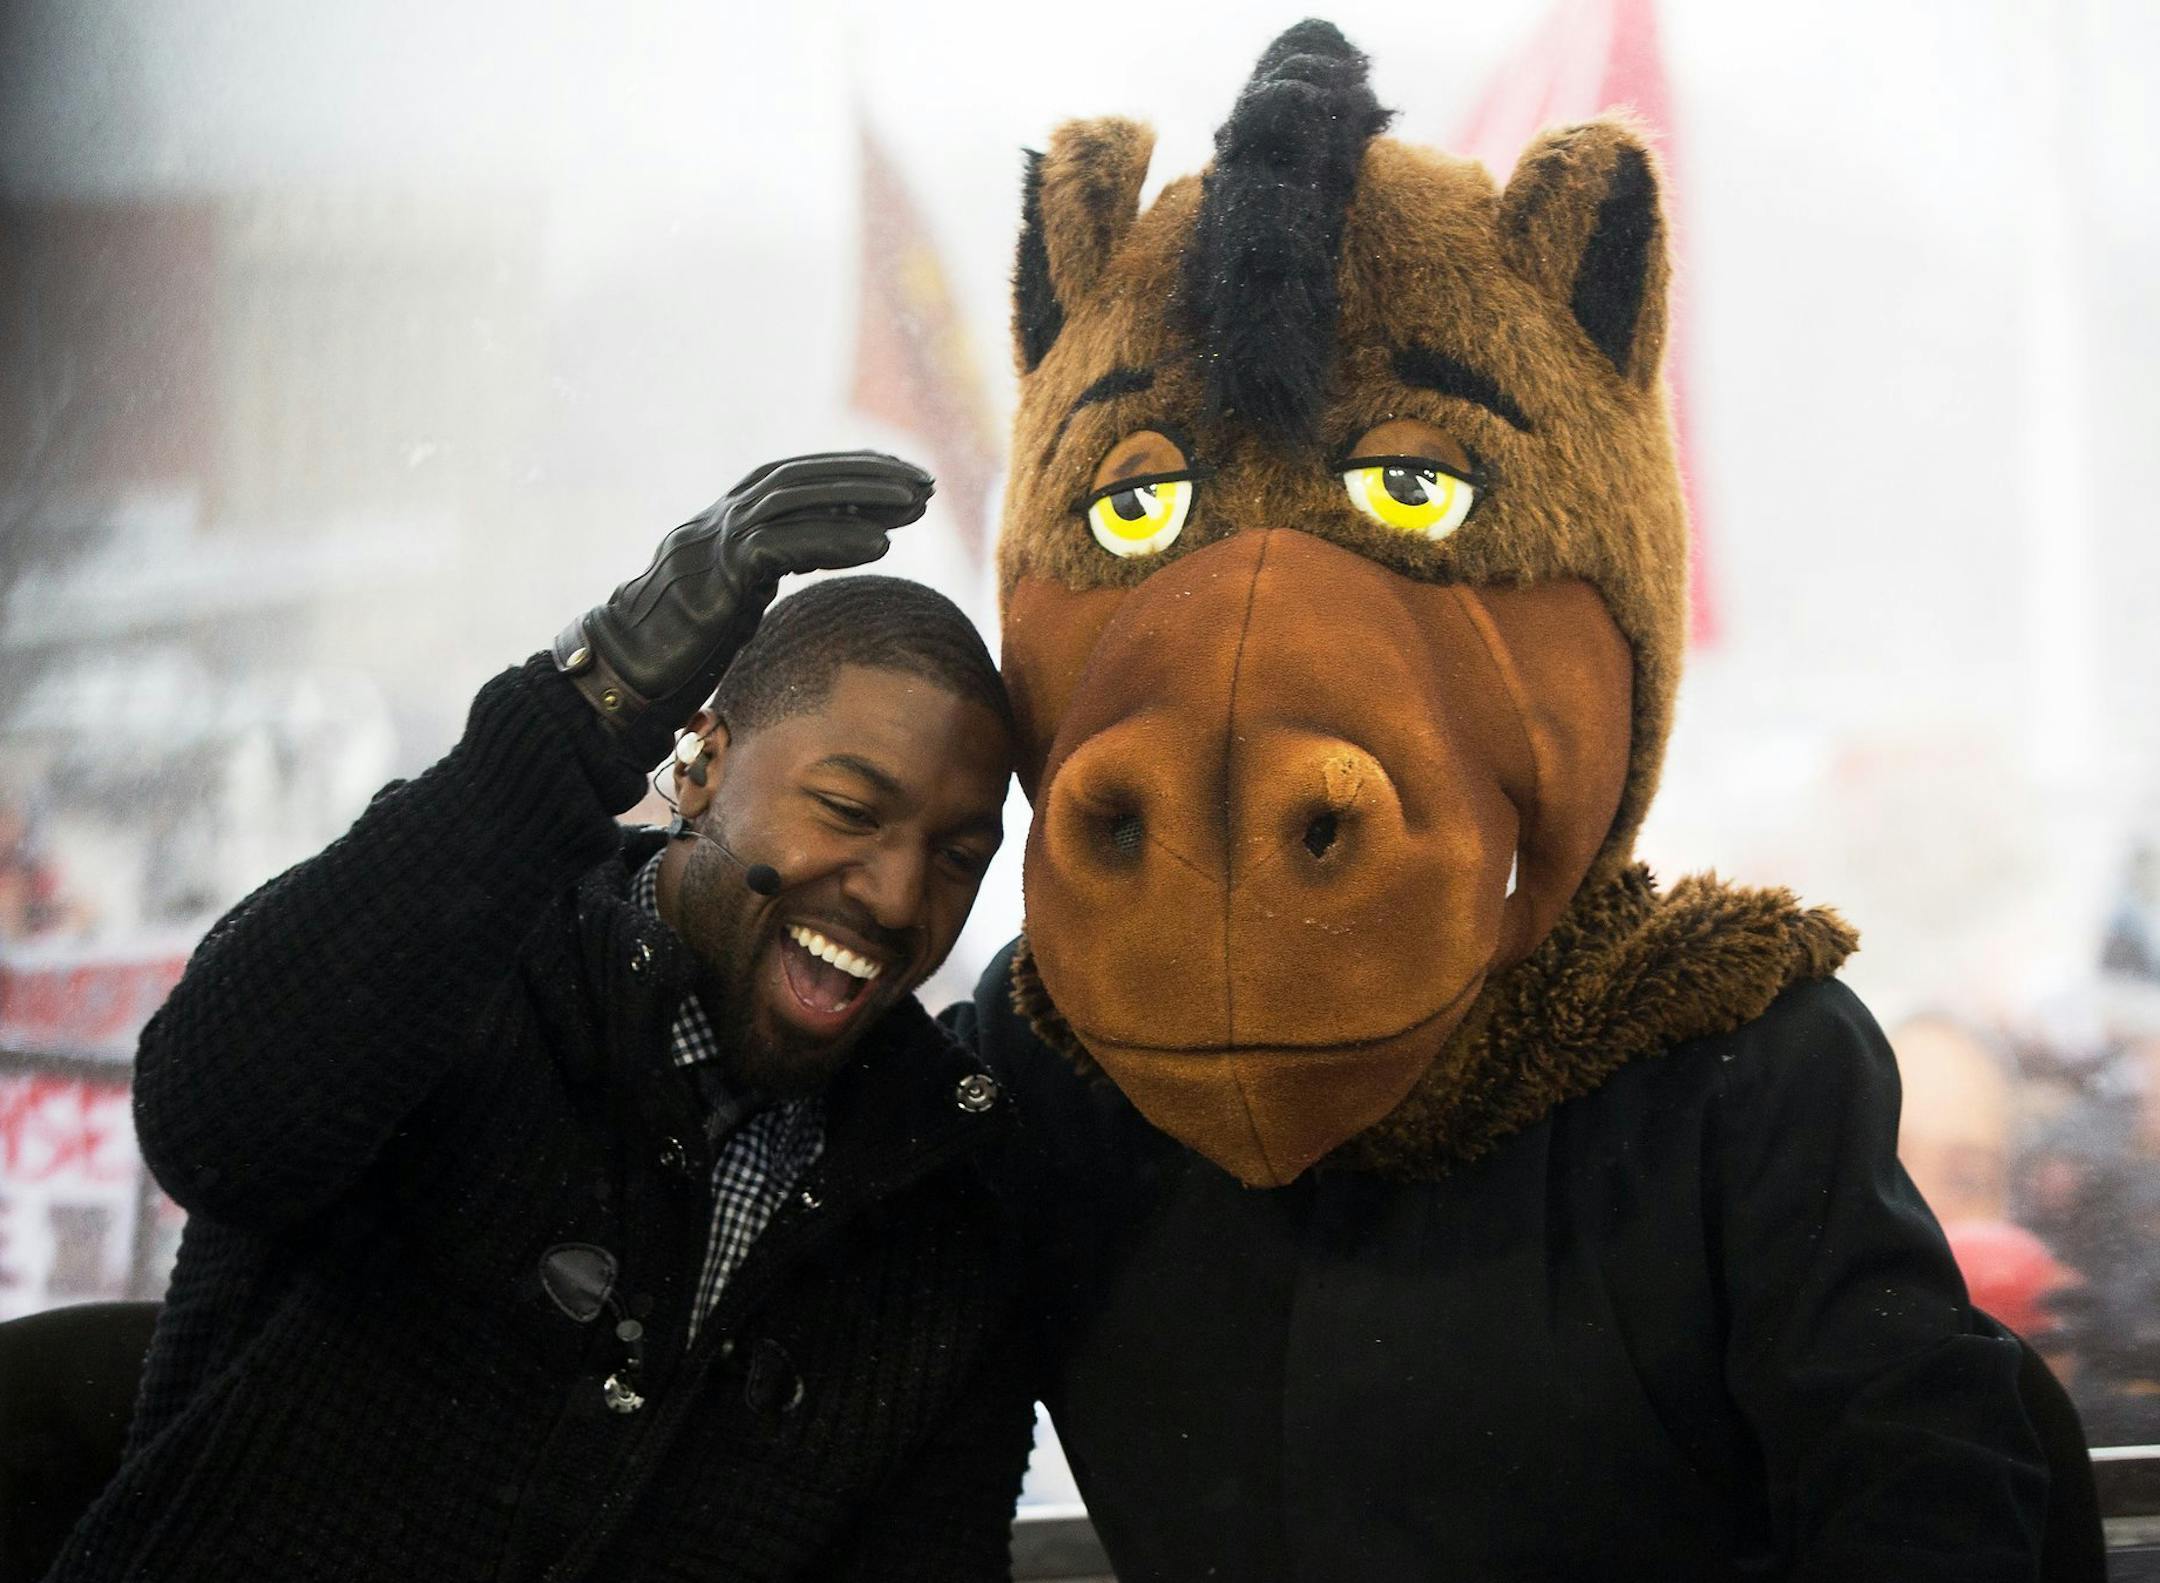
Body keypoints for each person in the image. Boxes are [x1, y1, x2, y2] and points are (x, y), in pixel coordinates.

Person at [951, 21, 2051, 1581]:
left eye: (1419, 486)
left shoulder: (1734, 1072)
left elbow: (1937, 1489)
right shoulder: (1044, 1069)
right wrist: (596, 744)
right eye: (1137, 507)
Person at [49, 453, 1034, 1581]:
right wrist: (591, 699)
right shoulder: (462, 946)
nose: (901, 895)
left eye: (960, 858)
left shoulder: (949, 1212)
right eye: (851, 809)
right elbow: (208, 1120)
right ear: (704, 761)